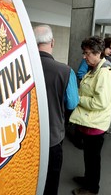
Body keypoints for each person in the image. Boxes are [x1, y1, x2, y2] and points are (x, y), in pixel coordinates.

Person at [33, 24, 79, 195]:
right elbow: (72, 104)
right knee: (50, 181)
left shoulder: (21, 68)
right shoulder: (65, 71)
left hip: (26, 139)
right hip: (53, 137)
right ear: (52, 42)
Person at [69, 36, 111, 195]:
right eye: (84, 52)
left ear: (98, 53)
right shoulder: (94, 69)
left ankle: (92, 189)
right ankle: (87, 179)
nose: (84, 56)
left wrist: (77, 99)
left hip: (95, 125)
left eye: (87, 53)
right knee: (89, 157)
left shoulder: (104, 73)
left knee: (93, 159)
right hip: (89, 122)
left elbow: (100, 102)